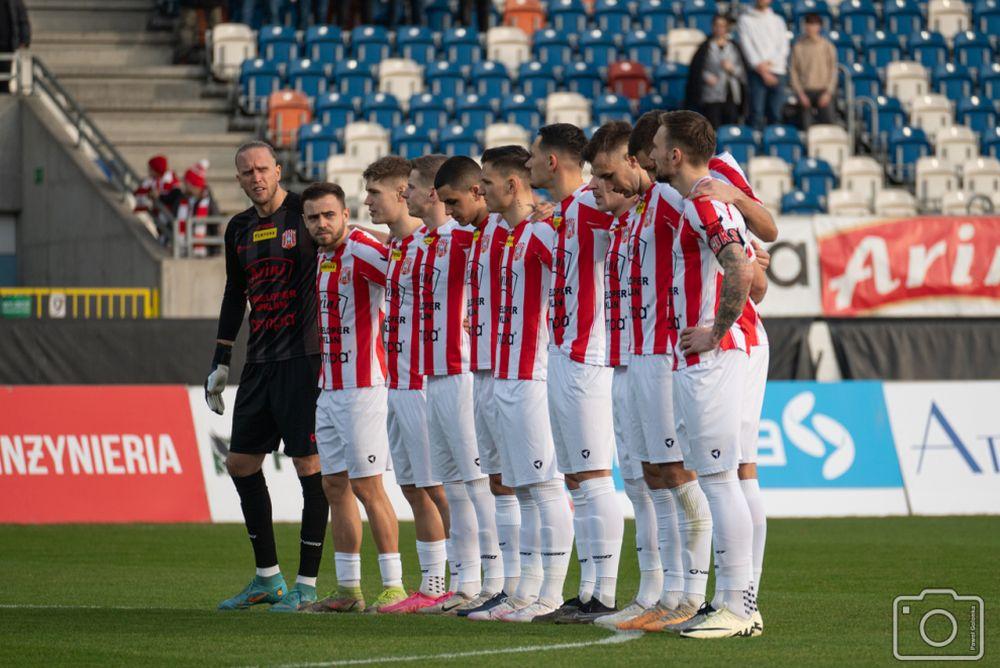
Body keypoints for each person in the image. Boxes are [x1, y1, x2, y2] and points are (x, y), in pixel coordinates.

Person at [650, 109, 760, 639]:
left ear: (675, 154)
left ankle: (738, 606)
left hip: (712, 357)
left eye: (656, 147)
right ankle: (731, 601)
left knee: (719, 481)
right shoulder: (703, 201)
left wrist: (715, 331)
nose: (649, 156)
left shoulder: (702, 203)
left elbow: (740, 266)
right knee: (721, 479)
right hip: (704, 358)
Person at [206, 141, 327, 613]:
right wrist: (220, 361)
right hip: (258, 363)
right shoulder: (237, 228)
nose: (256, 177)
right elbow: (235, 293)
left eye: (263, 168)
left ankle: (308, 584)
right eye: (247, 172)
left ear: (278, 170)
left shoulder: (307, 214)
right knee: (240, 464)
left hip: (305, 360)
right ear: (238, 179)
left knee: (309, 468)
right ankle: (267, 578)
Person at [467, 145, 573, 623]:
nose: (480, 191)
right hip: (503, 370)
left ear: (511, 185)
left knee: (545, 486)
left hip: (534, 372)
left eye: (488, 182)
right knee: (524, 489)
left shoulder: (547, 229)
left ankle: (550, 593)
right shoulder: (504, 232)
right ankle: (525, 590)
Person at [524, 124, 624, 624]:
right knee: (576, 479)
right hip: (562, 351)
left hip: (591, 352)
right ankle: (586, 590)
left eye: (533, 157)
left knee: (594, 477)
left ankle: (602, 592)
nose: (526, 167)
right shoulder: (566, 211)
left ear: (553, 163)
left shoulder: (592, 204)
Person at [396, 154, 503, 614]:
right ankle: (465, 582)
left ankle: (497, 580)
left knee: (477, 483)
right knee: (456, 485)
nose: (408, 195)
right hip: (432, 375)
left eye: (414, 187)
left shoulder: (465, 237)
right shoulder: (422, 243)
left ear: (435, 192)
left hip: (461, 372)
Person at [298, 181, 407, 615]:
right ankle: (348, 588)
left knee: (368, 486)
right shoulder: (323, 256)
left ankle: (395, 584)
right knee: (333, 484)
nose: (321, 224)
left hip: (365, 388)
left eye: (329, 215)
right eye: (313, 218)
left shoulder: (362, 249)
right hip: (331, 387)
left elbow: (403, 282)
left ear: (346, 214)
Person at [360, 155, 453, 615]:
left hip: (423, 382)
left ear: (405, 194)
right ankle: (436, 584)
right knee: (416, 488)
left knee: (438, 488)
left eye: (375, 193)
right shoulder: (398, 248)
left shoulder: (432, 243)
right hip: (396, 381)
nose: (367, 202)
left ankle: (456, 581)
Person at [433, 156, 522, 617]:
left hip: (517, 371)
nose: (449, 211)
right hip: (486, 369)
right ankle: (494, 584)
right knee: (493, 482)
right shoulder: (478, 236)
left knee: (525, 484)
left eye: (454, 201)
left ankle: (520, 586)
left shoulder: (513, 230)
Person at [686, 15, 749, 128]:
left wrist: (732, 69)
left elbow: (743, 73)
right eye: (717, 25)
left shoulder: (734, 47)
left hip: (732, 95)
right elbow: (696, 70)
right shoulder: (705, 47)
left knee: (731, 126)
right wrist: (706, 77)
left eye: (723, 26)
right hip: (711, 95)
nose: (720, 29)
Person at [737, 0, 789, 130]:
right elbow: (747, 46)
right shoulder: (745, 20)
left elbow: (783, 47)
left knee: (776, 113)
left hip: (778, 72)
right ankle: (755, 146)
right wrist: (762, 70)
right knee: (756, 112)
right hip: (756, 73)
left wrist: (771, 64)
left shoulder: (778, 21)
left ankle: (774, 146)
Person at [790, 13, 838, 129]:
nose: (811, 27)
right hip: (805, 91)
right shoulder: (798, 47)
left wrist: (828, 92)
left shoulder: (827, 46)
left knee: (828, 125)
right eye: (809, 24)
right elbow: (793, 72)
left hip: (823, 91)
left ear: (819, 27)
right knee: (806, 127)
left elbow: (833, 71)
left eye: (814, 24)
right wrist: (800, 93)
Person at [175, 161, 220, 257]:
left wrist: (215, 253)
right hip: (186, 253)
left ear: (192, 185)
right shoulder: (183, 200)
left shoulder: (210, 204)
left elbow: (215, 228)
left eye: (186, 182)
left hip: (205, 253)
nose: (184, 185)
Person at [0, 0, 30, 94]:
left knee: (6, 78)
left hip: (7, 46)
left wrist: (24, 40)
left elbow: (23, 20)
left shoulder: (14, 2)